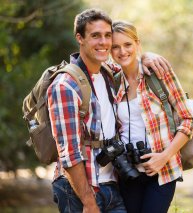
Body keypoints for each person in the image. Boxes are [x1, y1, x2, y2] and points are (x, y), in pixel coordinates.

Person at [47, 9, 171, 213]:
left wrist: (147, 56)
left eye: (107, 35)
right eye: (95, 35)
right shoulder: (65, 86)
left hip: (111, 184)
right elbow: (69, 154)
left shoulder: (108, 74)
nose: (103, 42)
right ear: (80, 38)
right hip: (79, 190)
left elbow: (130, 63)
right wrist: (88, 202)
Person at [111, 21, 193, 213]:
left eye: (127, 45)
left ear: (137, 44)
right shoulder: (113, 80)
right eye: (115, 47)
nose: (122, 51)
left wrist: (164, 157)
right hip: (128, 172)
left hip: (163, 171)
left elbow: (188, 120)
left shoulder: (158, 73)